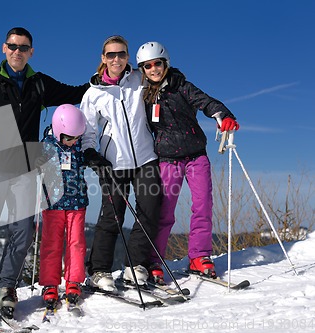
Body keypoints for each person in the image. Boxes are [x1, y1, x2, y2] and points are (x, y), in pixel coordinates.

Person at [0, 27, 88, 319]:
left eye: (23, 47)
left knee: (23, 233)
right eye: (12, 46)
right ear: (4, 48)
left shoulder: (39, 84)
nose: (17, 52)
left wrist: (97, 83)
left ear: (31, 52)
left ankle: (5, 287)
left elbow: (74, 93)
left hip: (24, 170)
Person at [136, 41, 240, 280]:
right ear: (142, 70)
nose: (154, 69)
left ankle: (199, 256)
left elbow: (206, 102)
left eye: (157, 63)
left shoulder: (181, 86)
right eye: (148, 66)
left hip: (196, 156)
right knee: (165, 211)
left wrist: (223, 115)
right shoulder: (143, 96)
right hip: (168, 160)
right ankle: (155, 260)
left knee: (203, 206)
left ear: (166, 63)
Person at [80, 35, 162, 291]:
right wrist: (93, 156)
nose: (117, 59)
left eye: (122, 54)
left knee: (150, 210)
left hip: (145, 158)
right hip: (113, 164)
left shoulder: (139, 79)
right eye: (111, 55)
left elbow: (162, 75)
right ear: (103, 59)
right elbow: (87, 133)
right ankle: (99, 270)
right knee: (112, 216)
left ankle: (135, 266)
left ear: (128, 57)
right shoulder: (93, 94)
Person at [37, 104, 89, 308]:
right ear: (58, 131)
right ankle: (50, 283)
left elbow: (88, 157)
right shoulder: (46, 146)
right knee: (51, 244)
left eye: (76, 137)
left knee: (76, 243)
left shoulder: (79, 144)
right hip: (53, 204)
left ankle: (73, 281)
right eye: (69, 138)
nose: (73, 141)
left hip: (77, 202)